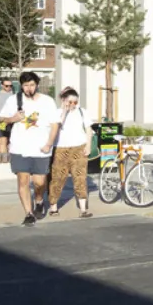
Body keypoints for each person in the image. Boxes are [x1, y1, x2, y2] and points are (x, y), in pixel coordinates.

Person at [0, 71, 58, 225]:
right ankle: (28, 213)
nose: (29, 88)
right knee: (23, 181)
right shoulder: (13, 100)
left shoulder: (48, 101)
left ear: (37, 85)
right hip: (19, 148)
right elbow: (0, 122)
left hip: (41, 149)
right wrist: (13, 118)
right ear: (21, 86)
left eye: (31, 85)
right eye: (25, 85)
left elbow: (55, 125)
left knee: (39, 182)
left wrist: (49, 144)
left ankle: (38, 200)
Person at [46, 88, 95, 218]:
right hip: (61, 149)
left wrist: (88, 145)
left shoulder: (82, 112)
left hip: (79, 148)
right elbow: (58, 125)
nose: (73, 105)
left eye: (75, 102)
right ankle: (53, 207)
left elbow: (88, 129)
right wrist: (64, 111)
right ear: (63, 100)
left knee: (80, 178)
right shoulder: (56, 113)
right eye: (70, 102)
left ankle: (83, 209)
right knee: (57, 178)